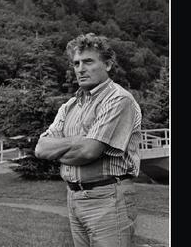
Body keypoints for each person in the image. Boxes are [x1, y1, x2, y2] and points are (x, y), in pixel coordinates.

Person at [34, 33, 142, 247]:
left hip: (108, 198)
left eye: (88, 61)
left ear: (108, 64)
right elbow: (41, 148)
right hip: (74, 198)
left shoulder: (119, 100)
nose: (80, 69)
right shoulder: (70, 105)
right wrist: (80, 140)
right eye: (76, 63)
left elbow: (89, 151)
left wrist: (70, 146)